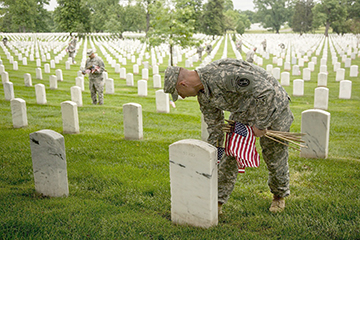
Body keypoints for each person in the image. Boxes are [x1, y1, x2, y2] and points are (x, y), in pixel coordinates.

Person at [163, 58, 294, 214]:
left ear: (183, 84)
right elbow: (215, 128)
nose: (183, 97)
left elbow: (267, 92)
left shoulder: (222, 76)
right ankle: (217, 201)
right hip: (244, 110)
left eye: (179, 94)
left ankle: (279, 195)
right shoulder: (203, 95)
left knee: (274, 155)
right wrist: (213, 156)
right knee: (230, 153)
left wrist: (260, 125)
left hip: (274, 106)